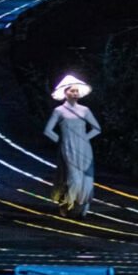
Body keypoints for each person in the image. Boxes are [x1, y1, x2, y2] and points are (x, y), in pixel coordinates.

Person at [43, 73, 101, 217]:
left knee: (86, 179)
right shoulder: (59, 111)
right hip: (68, 148)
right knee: (73, 178)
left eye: (76, 91)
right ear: (65, 92)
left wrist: (85, 138)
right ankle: (66, 203)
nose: (75, 93)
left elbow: (97, 128)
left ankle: (82, 207)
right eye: (72, 90)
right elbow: (48, 130)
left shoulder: (85, 110)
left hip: (84, 148)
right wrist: (60, 140)